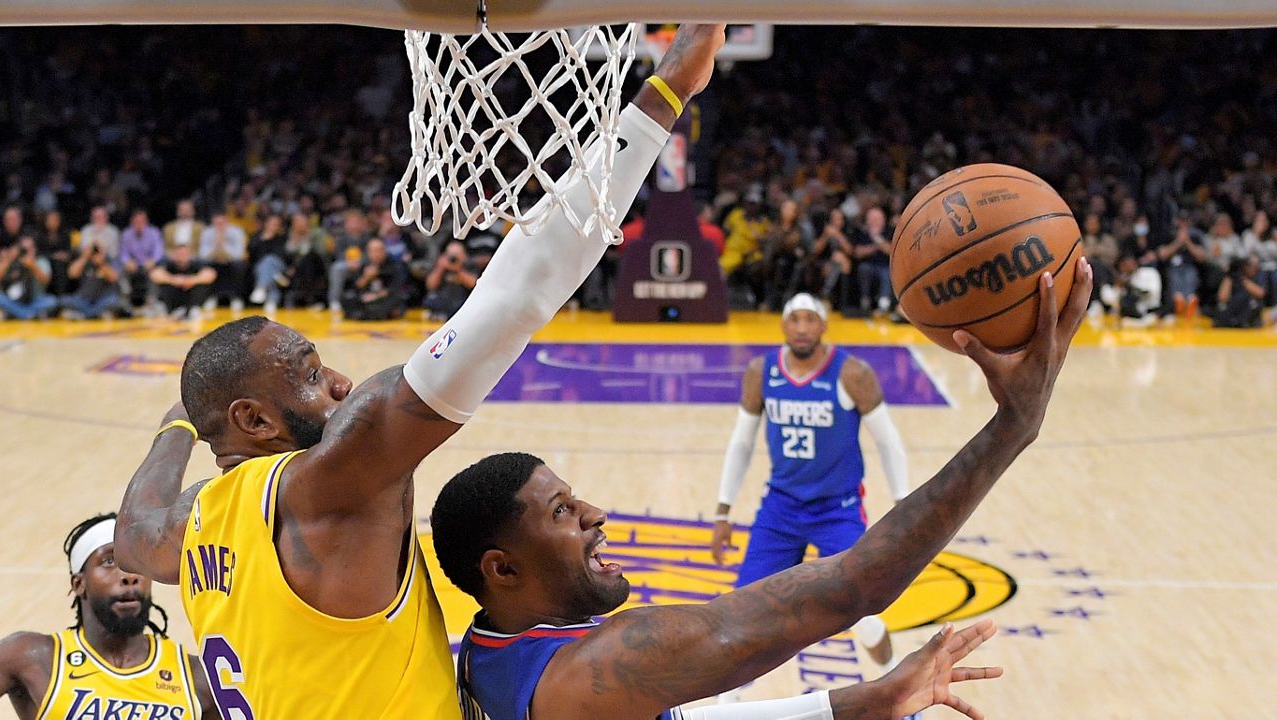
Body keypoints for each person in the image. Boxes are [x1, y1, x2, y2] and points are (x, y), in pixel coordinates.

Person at [113, 24, 726, 720]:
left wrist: (178, 427)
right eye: (312, 374)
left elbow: (134, 526)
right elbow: (516, 298)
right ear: (253, 419)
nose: (341, 384)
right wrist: (666, 91)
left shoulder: (191, 528)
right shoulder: (335, 483)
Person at [429, 256, 1092, 720]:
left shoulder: (489, 652)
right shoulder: (586, 676)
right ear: (502, 567)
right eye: (563, 512)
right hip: (787, 506)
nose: (597, 514)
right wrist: (1014, 425)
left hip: (829, 502)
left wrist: (869, 702)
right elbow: (854, 584)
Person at [708, 292, 912, 694]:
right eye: (794, 320)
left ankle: (899, 688)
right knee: (741, 615)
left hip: (838, 511)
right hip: (780, 509)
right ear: (784, 326)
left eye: (809, 320)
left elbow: (888, 441)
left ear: (823, 325)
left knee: (864, 614)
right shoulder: (760, 372)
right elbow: (741, 443)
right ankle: (725, 707)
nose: (802, 328)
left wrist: (904, 505)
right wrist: (722, 512)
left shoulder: (852, 373)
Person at [0, 513, 218, 720]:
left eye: (136, 564)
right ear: (79, 583)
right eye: (109, 562)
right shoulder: (32, 657)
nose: (129, 576)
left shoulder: (195, 676)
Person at [343, 237, 407, 320]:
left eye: (379, 250)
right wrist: (366, 278)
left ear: (384, 251)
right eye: (373, 251)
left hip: (382, 299)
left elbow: (396, 288)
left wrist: (376, 296)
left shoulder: (394, 266)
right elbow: (353, 288)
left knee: (396, 300)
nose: (376, 254)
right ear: (368, 252)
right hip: (365, 299)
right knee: (348, 297)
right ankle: (369, 314)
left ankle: (368, 314)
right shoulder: (363, 266)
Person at [197, 213, 249, 312]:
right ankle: (211, 297)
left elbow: (239, 254)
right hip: (213, 260)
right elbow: (202, 255)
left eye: (222, 223)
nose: (219, 226)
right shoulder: (207, 232)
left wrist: (223, 247)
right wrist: (216, 247)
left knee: (239, 265)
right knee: (203, 265)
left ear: (227, 222)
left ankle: (236, 297)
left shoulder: (237, 231)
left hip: (231, 261)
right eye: (216, 223)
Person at [0, 236, 58, 320]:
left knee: (52, 301)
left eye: (30, 248)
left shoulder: (41, 261)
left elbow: (46, 280)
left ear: (35, 249)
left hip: (34, 300)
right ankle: (27, 314)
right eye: (24, 249)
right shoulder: (10, 262)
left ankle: (16, 313)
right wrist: (9, 260)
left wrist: (33, 266)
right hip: (12, 300)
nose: (27, 252)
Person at [150, 244, 217, 320]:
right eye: (179, 254)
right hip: (175, 298)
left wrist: (191, 280)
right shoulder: (168, 264)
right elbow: (155, 274)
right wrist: (174, 280)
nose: (182, 256)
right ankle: (173, 311)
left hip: (190, 296)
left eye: (184, 254)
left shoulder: (196, 264)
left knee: (202, 286)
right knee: (165, 285)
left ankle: (194, 309)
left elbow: (211, 274)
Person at [61, 241, 122, 319]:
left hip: (101, 300)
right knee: (64, 300)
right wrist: (85, 257)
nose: (95, 253)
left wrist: (101, 263)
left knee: (113, 300)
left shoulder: (107, 261)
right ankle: (96, 314)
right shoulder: (85, 262)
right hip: (83, 299)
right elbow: (72, 274)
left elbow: (114, 278)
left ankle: (83, 314)